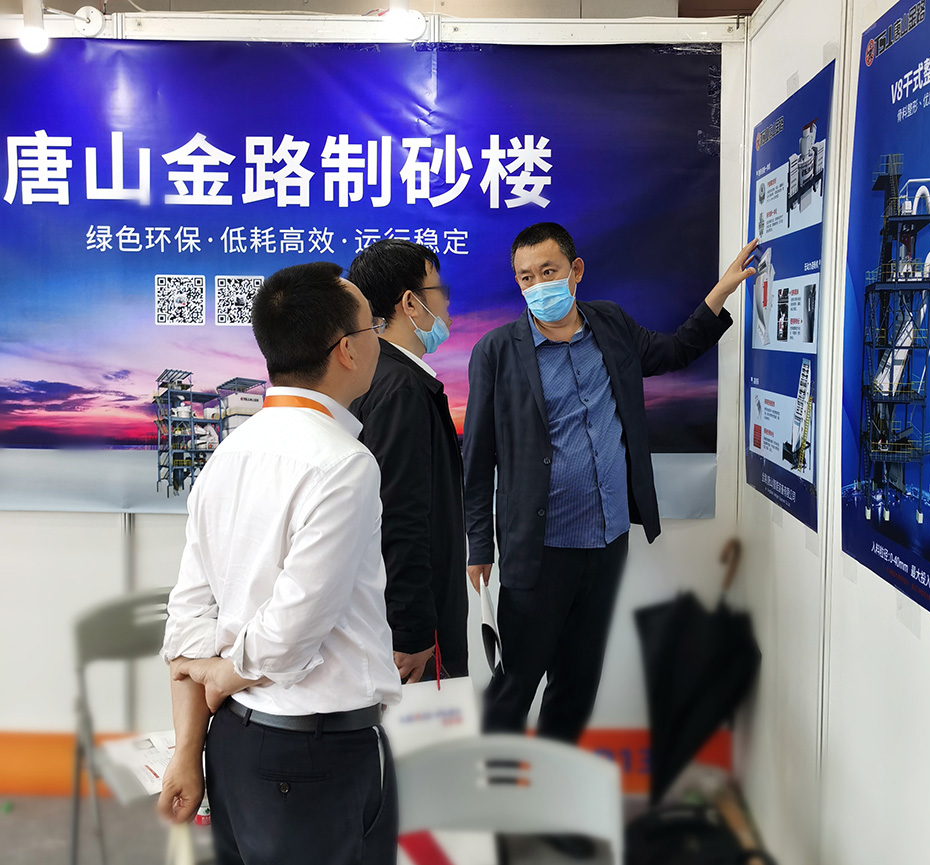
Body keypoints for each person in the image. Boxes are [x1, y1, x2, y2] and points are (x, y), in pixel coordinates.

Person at [464, 223, 757, 746]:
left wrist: (720, 293)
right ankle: (497, 783)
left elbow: (673, 351)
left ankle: (555, 778)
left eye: (548, 271)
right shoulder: (496, 351)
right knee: (516, 681)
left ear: (575, 271)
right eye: (526, 277)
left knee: (578, 682)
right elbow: (478, 454)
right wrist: (480, 545)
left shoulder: (611, 324)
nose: (538, 286)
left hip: (607, 540)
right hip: (539, 547)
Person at [156, 261, 403, 865]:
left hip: (234, 747)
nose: (380, 340)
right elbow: (292, 631)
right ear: (347, 350)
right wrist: (228, 672)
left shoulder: (227, 454)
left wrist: (189, 747)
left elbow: (188, 618)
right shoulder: (344, 464)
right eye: (373, 327)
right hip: (316, 757)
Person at [349, 239, 468, 683]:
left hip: (394, 614)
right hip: (417, 631)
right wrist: (412, 630)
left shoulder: (377, 377)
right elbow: (400, 516)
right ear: (411, 303)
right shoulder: (402, 389)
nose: (447, 303)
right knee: (426, 723)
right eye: (439, 291)